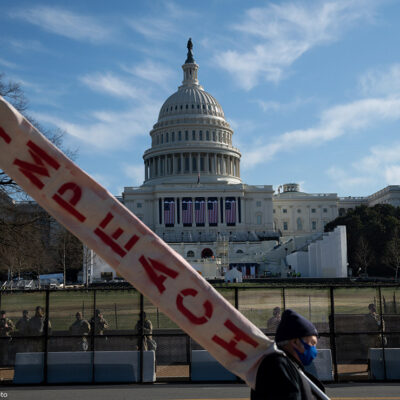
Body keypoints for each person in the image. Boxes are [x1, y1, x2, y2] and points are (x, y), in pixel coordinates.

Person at [251, 309, 325, 400]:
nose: (314, 349)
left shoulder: (289, 366)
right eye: (312, 343)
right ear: (295, 342)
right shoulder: (278, 366)